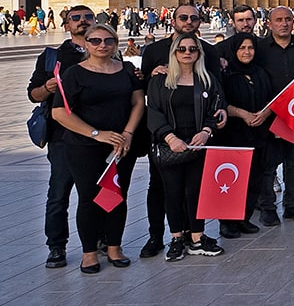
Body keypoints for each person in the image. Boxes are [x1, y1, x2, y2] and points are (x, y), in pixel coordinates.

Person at [50, 23, 145, 274]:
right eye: (95, 41)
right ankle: (89, 252)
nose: (102, 45)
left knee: (116, 195)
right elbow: (59, 112)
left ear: (115, 43)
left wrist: (127, 133)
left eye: (108, 40)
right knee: (90, 198)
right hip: (84, 146)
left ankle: (114, 247)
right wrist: (97, 134)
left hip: (121, 145)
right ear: (87, 44)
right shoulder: (74, 74)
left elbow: (138, 102)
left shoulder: (126, 70)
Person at [147, 34, 228, 260]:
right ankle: (176, 237)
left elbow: (217, 107)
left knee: (195, 192)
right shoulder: (159, 81)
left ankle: (196, 237)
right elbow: (153, 113)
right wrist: (170, 138)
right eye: (182, 49)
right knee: (172, 193)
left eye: (192, 49)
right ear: (174, 53)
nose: (187, 53)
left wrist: (206, 132)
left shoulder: (207, 79)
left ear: (199, 53)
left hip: (198, 145)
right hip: (170, 145)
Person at [27, 4, 96, 269]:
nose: (82, 21)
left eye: (88, 17)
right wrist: (48, 87)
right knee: (59, 193)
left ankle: (100, 239)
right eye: (76, 18)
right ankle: (56, 245)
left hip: (97, 135)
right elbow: (33, 94)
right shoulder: (53, 56)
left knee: (97, 192)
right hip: (63, 136)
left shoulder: (105, 50)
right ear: (66, 25)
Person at [253, 6, 294, 226]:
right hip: (269, 116)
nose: (284, 23)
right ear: (269, 24)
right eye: (279, 20)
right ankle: (267, 207)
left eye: (288, 19)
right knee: (268, 164)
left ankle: (292, 205)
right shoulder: (259, 49)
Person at [217, 33, 272, 239]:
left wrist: (265, 113)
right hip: (234, 133)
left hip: (258, 132)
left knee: (254, 177)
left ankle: (244, 217)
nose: (247, 52)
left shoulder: (260, 72)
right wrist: (242, 114)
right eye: (242, 48)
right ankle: (227, 221)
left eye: (250, 48)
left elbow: (271, 97)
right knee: (232, 178)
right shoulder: (226, 73)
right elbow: (219, 101)